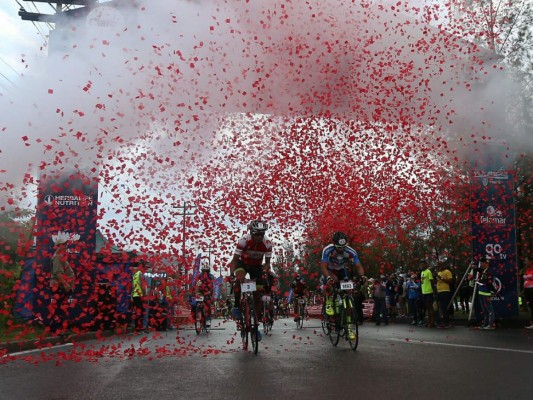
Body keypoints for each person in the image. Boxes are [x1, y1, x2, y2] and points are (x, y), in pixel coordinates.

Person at [229, 220, 273, 341]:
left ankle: (255, 326)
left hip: (256, 267)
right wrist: (232, 274)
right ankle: (237, 306)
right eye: (257, 234)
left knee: (258, 294)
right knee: (240, 279)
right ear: (251, 233)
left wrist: (264, 272)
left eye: (262, 234)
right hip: (242, 264)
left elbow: (267, 264)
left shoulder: (268, 244)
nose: (259, 237)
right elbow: (234, 260)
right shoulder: (243, 241)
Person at [320, 232, 365, 339]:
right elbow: (323, 266)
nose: (341, 249)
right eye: (338, 247)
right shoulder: (327, 250)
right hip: (329, 269)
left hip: (342, 269)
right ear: (334, 244)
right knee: (333, 280)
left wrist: (362, 276)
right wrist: (329, 277)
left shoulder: (351, 251)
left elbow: (358, 266)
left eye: (343, 247)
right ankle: (329, 302)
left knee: (348, 295)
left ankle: (349, 326)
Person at [48, 237, 76, 335]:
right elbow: (58, 273)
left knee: (60, 307)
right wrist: (65, 284)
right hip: (59, 286)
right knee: (58, 308)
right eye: (64, 244)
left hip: (62, 286)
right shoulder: (57, 257)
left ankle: (59, 329)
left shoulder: (60, 256)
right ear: (59, 245)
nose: (66, 246)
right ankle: (56, 330)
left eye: (66, 244)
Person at [470, 255, 497, 329]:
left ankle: (491, 324)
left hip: (487, 293)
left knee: (489, 309)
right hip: (481, 292)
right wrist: (474, 267)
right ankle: (485, 323)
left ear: (486, 263)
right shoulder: (483, 270)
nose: (481, 264)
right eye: (480, 263)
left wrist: (491, 294)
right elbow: (478, 269)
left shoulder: (489, 271)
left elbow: (490, 283)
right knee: (484, 310)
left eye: (482, 263)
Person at [195, 261, 215, 328]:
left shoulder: (211, 276)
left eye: (206, 271)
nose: (205, 272)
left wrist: (210, 292)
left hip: (208, 291)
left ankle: (208, 320)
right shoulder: (199, 276)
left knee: (208, 304)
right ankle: (197, 314)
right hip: (201, 291)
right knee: (195, 304)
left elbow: (212, 286)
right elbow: (196, 284)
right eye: (203, 271)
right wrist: (196, 291)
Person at [435, 262, 453, 328]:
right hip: (439, 291)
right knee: (440, 307)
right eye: (438, 266)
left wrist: (441, 278)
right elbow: (437, 281)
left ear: (443, 266)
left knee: (444, 307)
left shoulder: (447, 272)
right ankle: (442, 321)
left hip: (445, 291)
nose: (438, 267)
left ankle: (447, 322)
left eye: (439, 266)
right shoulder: (439, 273)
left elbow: (450, 281)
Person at [420, 260, 436, 327]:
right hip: (424, 292)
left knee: (430, 307)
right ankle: (429, 321)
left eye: (423, 264)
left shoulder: (428, 272)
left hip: (429, 291)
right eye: (421, 265)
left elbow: (432, 282)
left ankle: (432, 322)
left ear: (426, 265)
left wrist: (434, 292)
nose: (422, 266)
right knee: (427, 307)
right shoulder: (422, 272)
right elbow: (422, 282)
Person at [523, 260, 533, 329]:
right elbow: (525, 278)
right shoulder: (527, 270)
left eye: (527, 261)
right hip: (527, 290)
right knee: (530, 306)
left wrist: (529, 277)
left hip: (532, 289)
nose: (526, 262)